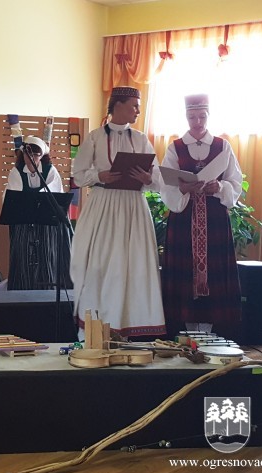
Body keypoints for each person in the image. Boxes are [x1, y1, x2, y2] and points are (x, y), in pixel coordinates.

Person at [70, 86, 165, 341]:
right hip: (104, 205)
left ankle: (132, 328)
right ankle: (96, 329)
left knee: (135, 264)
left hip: (134, 206)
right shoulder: (95, 137)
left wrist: (147, 178)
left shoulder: (141, 139)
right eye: (134, 105)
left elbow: (157, 177)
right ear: (118, 105)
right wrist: (99, 175)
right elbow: (78, 175)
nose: (138, 111)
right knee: (101, 264)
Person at [160, 94, 242, 340]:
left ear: (208, 116)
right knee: (184, 271)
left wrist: (219, 188)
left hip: (214, 218)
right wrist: (184, 188)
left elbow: (235, 181)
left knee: (215, 272)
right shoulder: (175, 148)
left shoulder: (222, 146)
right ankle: (185, 330)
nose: (197, 122)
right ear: (186, 117)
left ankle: (211, 333)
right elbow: (166, 184)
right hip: (184, 218)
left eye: (202, 117)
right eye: (192, 117)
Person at [4, 135, 72, 290]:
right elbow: (16, 197)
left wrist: (36, 199)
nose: (32, 158)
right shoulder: (16, 172)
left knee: (47, 255)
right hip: (23, 220)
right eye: (29, 154)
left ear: (42, 156)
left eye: (36, 155)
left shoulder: (50, 171)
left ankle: (47, 289)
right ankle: (21, 288)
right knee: (22, 254)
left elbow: (54, 193)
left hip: (46, 220)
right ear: (23, 155)